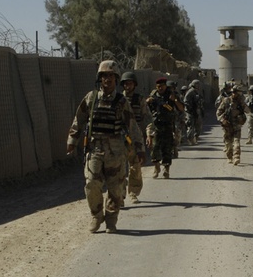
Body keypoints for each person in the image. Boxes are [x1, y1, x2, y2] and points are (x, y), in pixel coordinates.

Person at [67, 61, 144, 232]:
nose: (107, 79)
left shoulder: (121, 101)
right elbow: (79, 120)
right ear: (99, 79)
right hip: (94, 148)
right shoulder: (91, 98)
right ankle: (96, 215)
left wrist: (139, 148)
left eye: (110, 76)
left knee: (115, 187)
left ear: (116, 79)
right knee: (92, 183)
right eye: (104, 76)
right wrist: (72, 140)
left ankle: (111, 219)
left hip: (116, 149)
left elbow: (132, 126)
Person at [121, 71, 150, 205]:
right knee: (118, 167)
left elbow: (146, 117)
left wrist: (148, 133)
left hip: (135, 136)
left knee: (135, 166)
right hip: (121, 137)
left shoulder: (139, 99)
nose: (128, 86)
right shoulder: (118, 99)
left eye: (130, 83)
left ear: (134, 84)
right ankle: (119, 195)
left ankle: (133, 193)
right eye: (126, 84)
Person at [146, 76, 183, 179]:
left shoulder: (172, 95)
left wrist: (175, 100)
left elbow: (181, 108)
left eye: (162, 86)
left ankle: (166, 169)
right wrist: (147, 102)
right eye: (158, 86)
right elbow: (146, 110)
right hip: (156, 125)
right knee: (154, 147)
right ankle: (156, 167)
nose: (160, 88)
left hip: (168, 125)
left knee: (167, 148)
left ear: (165, 86)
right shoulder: (153, 96)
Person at [216, 83, 247, 165]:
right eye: (237, 93)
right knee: (228, 144)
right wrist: (222, 120)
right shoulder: (226, 101)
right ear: (233, 92)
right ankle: (230, 157)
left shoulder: (240, 102)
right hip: (227, 125)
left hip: (237, 125)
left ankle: (236, 157)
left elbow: (248, 110)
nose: (238, 95)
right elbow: (218, 112)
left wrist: (244, 106)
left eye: (239, 94)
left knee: (237, 142)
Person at [184, 79, 204, 145]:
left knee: (198, 125)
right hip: (190, 111)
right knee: (191, 126)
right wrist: (190, 109)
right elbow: (186, 101)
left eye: (198, 84)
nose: (198, 85)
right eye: (196, 84)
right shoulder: (191, 91)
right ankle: (190, 140)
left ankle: (195, 138)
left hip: (197, 111)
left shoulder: (197, 92)